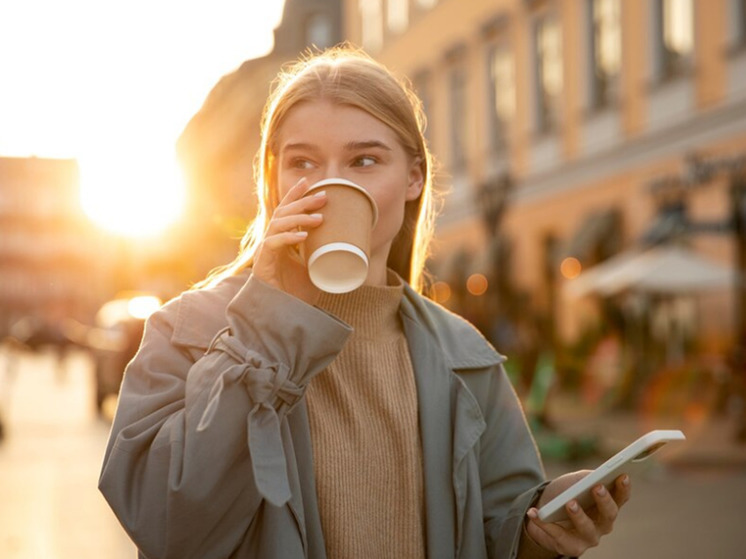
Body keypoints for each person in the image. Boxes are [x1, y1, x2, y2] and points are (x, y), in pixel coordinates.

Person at [99, 45, 630, 559]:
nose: (329, 187)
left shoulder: (462, 353)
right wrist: (269, 322)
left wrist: (543, 531)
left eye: (365, 160)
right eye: (303, 163)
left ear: (413, 179)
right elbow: (168, 529)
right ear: (272, 181)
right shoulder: (186, 331)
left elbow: (494, 530)